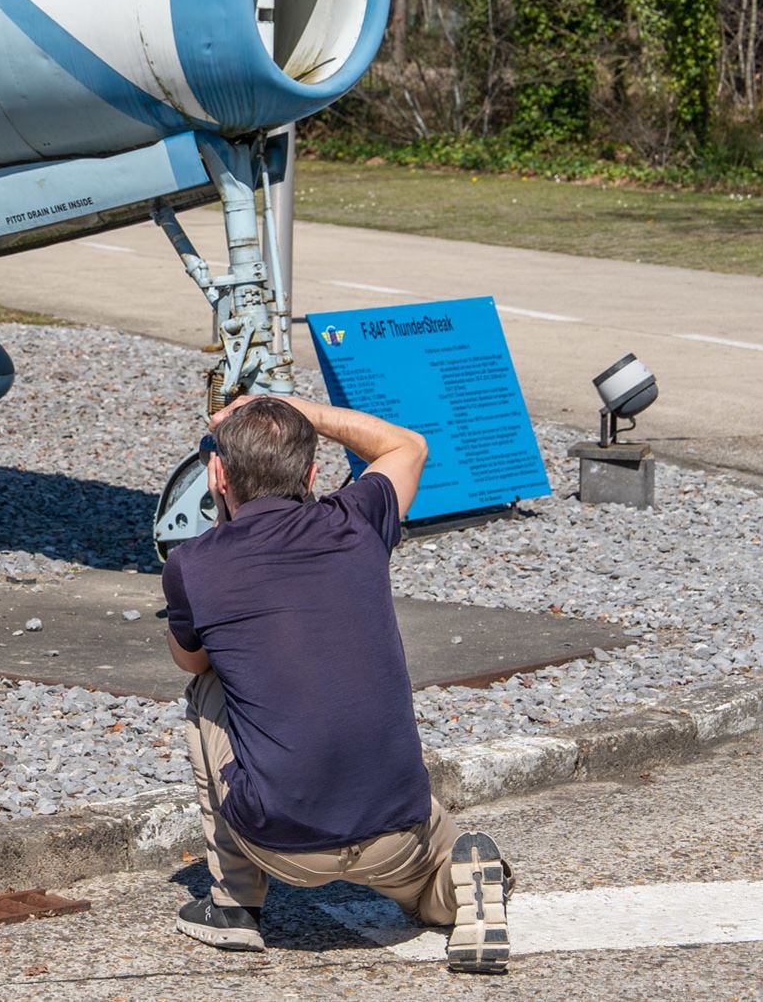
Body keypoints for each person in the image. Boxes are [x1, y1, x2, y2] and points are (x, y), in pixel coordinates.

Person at [161, 394, 512, 974]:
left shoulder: (194, 564)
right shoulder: (357, 520)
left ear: (217, 475)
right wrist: (300, 409)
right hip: (396, 825)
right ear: (310, 474)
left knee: (209, 691)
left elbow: (190, 662)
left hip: (283, 844)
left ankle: (234, 905)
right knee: (429, 886)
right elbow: (409, 445)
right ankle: (461, 886)